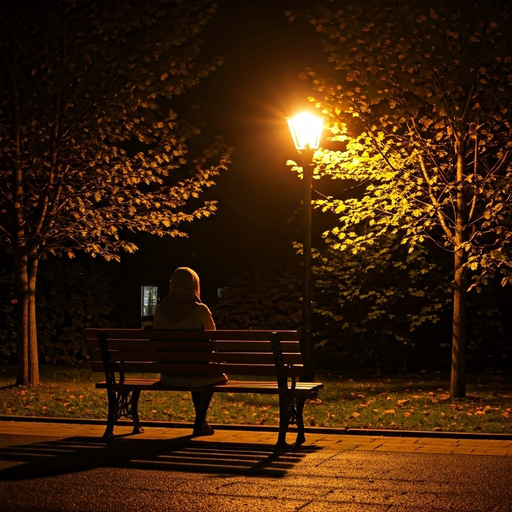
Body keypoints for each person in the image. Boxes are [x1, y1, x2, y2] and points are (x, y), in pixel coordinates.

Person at [153, 267, 227, 437]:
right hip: (198, 372)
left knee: (199, 372)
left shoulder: (160, 310)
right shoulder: (200, 310)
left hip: (169, 375)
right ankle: (200, 421)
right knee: (204, 375)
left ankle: (201, 422)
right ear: (194, 285)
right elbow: (214, 338)